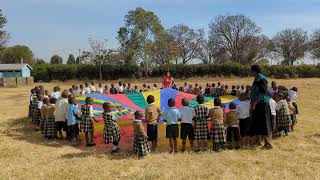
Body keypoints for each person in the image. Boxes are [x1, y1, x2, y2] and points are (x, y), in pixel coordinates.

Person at [250, 64, 273, 149]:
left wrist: (255, 103)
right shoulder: (256, 79)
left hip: (262, 104)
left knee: (263, 124)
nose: (251, 72)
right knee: (257, 123)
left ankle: (268, 143)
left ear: (255, 71)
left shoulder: (262, 80)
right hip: (256, 104)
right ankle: (259, 141)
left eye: (251, 71)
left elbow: (262, 94)